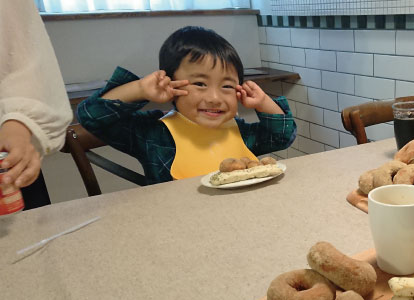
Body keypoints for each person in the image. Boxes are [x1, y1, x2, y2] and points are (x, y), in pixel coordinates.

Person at [77, 26, 296, 184]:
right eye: (200, 83)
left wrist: (263, 102)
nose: (214, 97)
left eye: (227, 86)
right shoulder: (153, 134)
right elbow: (91, 116)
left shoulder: (241, 131)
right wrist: (140, 90)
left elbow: (282, 136)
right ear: (171, 84)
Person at [0, 0, 73, 209]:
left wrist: (17, 126)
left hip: (9, 162)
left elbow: (24, 52)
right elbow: (94, 113)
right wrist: (139, 90)